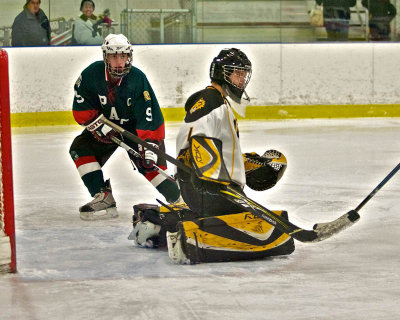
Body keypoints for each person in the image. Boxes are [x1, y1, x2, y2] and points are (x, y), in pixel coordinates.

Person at [128, 48, 294, 264]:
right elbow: (193, 139)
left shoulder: (219, 102)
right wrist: (212, 181)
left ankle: (154, 224)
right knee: (261, 227)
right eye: (236, 73)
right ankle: (185, 237)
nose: (242, 80)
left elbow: (215, 149)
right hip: (207, 189)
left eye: (244, 74)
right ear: (220, 73)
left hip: (208, 187)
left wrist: (246, 165)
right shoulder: (210, 99)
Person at [69, 33, 180, 221]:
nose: (119, 61)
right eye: (114, 56)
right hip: (106, 128)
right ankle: (102, 196)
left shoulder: (137, 79)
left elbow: (149, 115)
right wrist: (96, 124)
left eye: (123, 56)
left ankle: (177, 198)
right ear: (106, 57)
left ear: (129, 56)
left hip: (135, 130)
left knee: (150, 163)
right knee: (79, 148)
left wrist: (150, 145)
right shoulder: (91, 74)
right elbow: (81, 106)